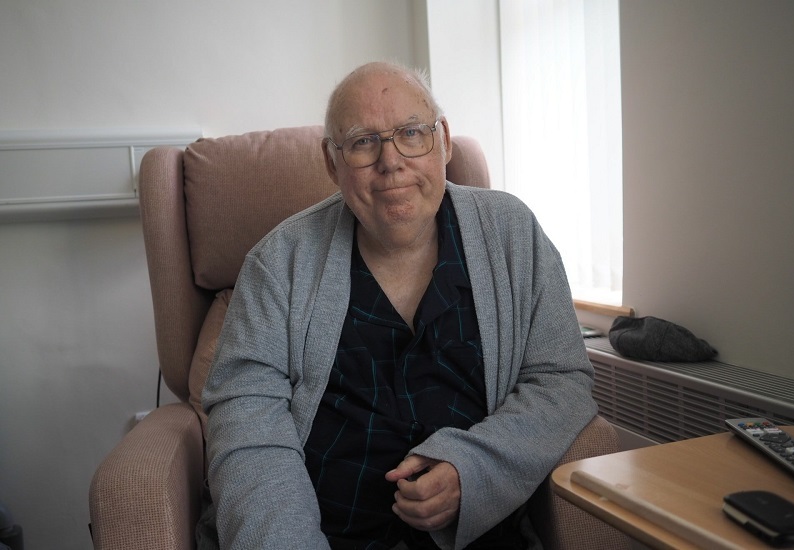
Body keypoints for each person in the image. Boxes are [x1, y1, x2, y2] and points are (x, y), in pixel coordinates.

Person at [202, 61, 597, 550]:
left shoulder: (512, 234)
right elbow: (247, 430)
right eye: (364, 142)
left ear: (444, 141)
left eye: (412, 133)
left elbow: (561, 379)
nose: (392, 161)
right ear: (332, 162)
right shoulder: (276, 264)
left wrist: (471, 469)